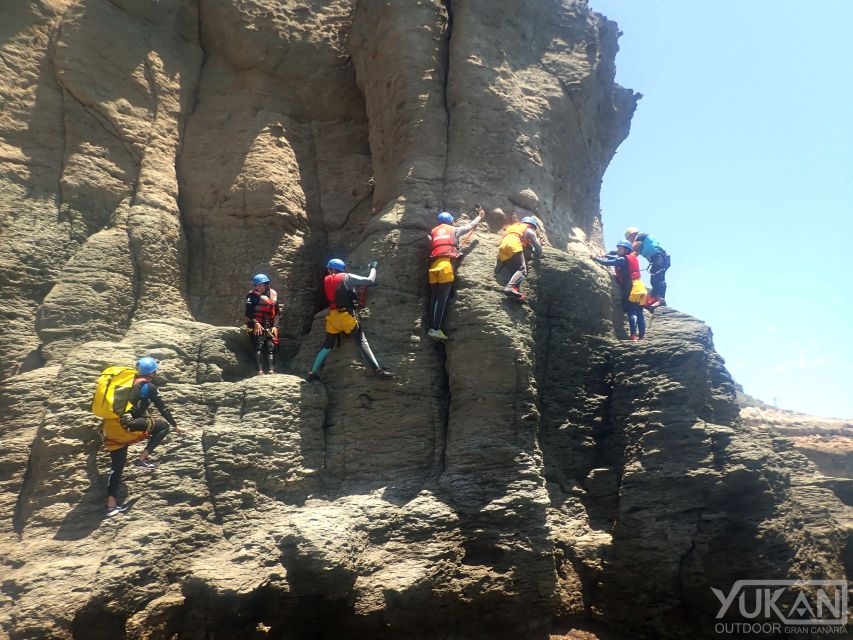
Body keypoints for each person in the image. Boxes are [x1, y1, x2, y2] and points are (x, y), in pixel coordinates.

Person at [103, 356, 182, 516]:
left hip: (110, 427)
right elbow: (163, 408)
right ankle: (142, 460)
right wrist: (176, 426)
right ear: (152, 372)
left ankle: (111, 506)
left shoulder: (124, 383)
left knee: (116, 468)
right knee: (163, 427)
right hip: (127, 425)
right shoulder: (148, 387)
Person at [307, 259, 394, 381]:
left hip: (333, 317)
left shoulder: (326, 280)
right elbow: (370, 281)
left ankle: (312, 372)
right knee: (362, 342)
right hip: (346, 317)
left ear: (331, 269)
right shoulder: (347, 277)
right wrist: (373, 268)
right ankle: (378, 370)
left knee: (326, 346)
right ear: (341, 269)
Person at [426, 208, 483, 341]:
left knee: (434, 298)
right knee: (442, 299)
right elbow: (470, 226)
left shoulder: (433, 232)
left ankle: (431, 327)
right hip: (446, 266)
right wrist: (480, 217)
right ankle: (435, 329)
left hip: (433, 267)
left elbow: (432, 242)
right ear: (451, 221)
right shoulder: (454, 230)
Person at [592, 240, 648, 340]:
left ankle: (633, 336)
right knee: (639, 312)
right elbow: (615, 258)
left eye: (620, 248)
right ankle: (642, 336)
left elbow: (608, 263)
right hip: (640, 287)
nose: (617, 250)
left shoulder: (622, 260)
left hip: (631, 287)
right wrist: (606, 255)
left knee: (632, 311)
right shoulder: (631, 258)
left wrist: (595, 258)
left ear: (626, 249)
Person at [496, 215, 543, 300]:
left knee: (515, 271)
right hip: (513, 245)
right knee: (522, 270)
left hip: (503, 248)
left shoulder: (512, 228)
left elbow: (523, 241)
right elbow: (539, 251)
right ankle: (509, 288)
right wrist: (537, 243)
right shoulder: (529, 230)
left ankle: (514, 291)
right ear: (531, 226)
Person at [244, 273, 282, 375]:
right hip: (254, 325)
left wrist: (275, 326)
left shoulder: (273, 295)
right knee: (258, 346)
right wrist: (256, 323)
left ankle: (271, 370)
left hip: (268, 324)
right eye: (255, 285)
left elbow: (277, 313)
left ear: (266, 284)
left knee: (271, 346)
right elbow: (248, 313)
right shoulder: (252, 296)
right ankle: (259, 371)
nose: (257, 287)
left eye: (260, 285)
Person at [625, 226, 670, 306]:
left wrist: (619, 252)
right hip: (659, 259)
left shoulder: (640, 237)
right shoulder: (640, 245)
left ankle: (661, 299)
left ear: (632, 235)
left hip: (660, 257)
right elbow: (633, 255)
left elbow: (631, 249)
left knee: (658, 278)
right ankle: (654, 297)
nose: (629, 242)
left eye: (629, 240)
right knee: (654, 279)